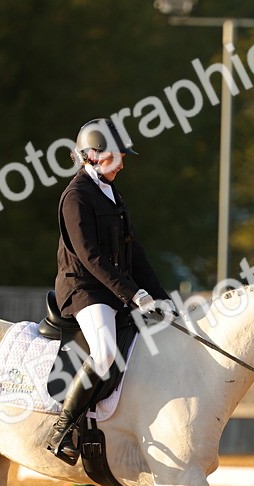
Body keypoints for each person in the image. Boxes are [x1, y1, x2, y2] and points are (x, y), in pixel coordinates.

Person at [46, 118, 174, 464]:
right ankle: (64, 429)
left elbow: (135, 254)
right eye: (115, 157)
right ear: (90, 156)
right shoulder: (75, 197)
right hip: (83, 288)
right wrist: (132, 294)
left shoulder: (112, 193)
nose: (122, 164)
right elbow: (90, 257)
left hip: (112, 288)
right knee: (103, 353)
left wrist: (162, 298)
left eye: (122, 157)